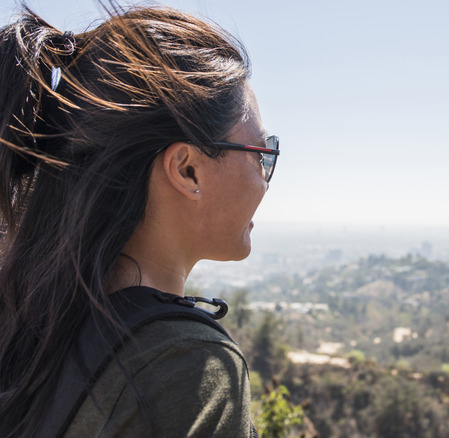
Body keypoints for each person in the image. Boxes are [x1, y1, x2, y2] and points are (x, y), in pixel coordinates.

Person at [0, 4, 278, 437]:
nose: (264, 181)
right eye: (263, 155)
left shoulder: (24, 321)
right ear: (187, 169)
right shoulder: (186, 365)